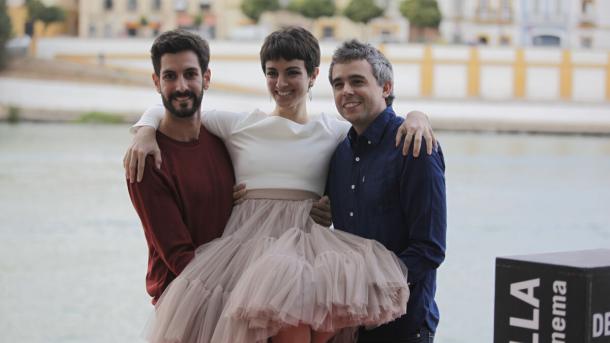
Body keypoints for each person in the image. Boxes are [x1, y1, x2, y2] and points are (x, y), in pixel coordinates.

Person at [126, 27, 435, 343]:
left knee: (310, 330)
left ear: (313, 75)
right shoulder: (240, 124)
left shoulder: (333, 130)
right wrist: (144, 129)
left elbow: (376, 120)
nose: (281, 83)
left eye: (292, 72)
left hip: (304, 250)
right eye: (272, 73)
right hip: (246, 251)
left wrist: (417, 116)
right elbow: (180, 106)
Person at [326, 40, 447, 343]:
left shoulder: (414, 145)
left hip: (404, 327)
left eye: (357, 81)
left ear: (386, 86)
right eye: (338, 84)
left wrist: (374, 296)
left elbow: (429, 248)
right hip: (350, 323)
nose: (346, 91)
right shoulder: (338, 152)